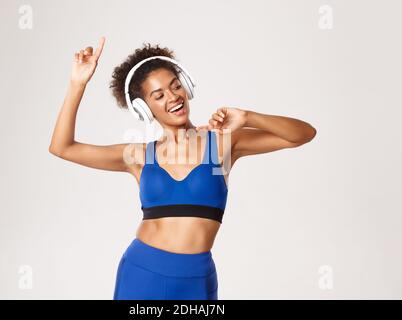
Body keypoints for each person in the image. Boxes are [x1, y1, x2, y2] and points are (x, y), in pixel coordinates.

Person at [49, 36, 317, 300]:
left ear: (186, 85)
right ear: (144, 109)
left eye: (176, 86)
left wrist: (248, 116)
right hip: (141, 273)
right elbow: (63, 147)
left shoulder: (222, 143)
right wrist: (77, 84)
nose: (173, 97)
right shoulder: (138, 155)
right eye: (159, 95)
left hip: (197, 280)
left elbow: (302, 134)